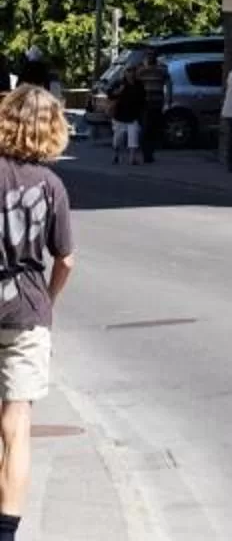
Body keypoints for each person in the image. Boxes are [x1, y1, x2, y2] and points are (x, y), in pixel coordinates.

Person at [0, 83, 76, 541]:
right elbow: (65, 258)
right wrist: (49, 299)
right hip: (26, 308)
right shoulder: (51, 185)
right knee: (17, 424)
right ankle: (6, 532)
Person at [108, 59, 145, 167]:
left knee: (133, 137)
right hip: (119, 115)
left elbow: (142, 99)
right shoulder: (119, 83)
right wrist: (118, 92)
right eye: (129, 70)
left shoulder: (139, 84)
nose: (131, 73)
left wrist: (141, 111)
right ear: (124, 72)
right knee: (118, 139)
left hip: (133, 116)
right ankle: (116, 154)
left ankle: (132, 158)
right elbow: (109, 94)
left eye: (133, 70)